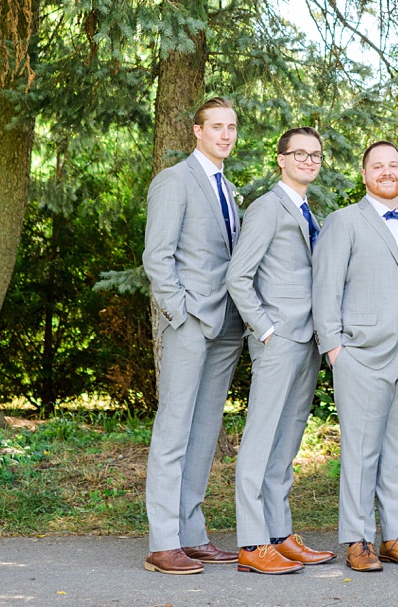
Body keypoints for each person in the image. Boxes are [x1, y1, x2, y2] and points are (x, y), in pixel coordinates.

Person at [311, 140, 398, 572]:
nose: (387, 172)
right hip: (362, 354)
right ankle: (357, 539)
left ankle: (395, 537)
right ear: (365, 175)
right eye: (378, 166)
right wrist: (334, 349)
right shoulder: (344, 221)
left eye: (394, 165)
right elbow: (326, 287)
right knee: (361, 452)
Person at [223, 126, 335, 575]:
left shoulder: (308, 210)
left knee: (286, 443)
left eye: (315, 156)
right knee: (261, 440)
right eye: (300, 154)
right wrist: (266, 329)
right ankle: (252, 543)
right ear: (281, 159)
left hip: (306, 341)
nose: (308, 161)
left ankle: (278, 533)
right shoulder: (268, 208)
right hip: (278, 341)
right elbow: (238, 277)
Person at [142, 97, 246, 574]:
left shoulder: (228, 188)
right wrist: (180, 314)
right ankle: (163, 541)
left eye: (231, 127)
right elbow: (157, 258)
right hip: (190, 323)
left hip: (227, 326)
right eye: (216, 127)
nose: (225, 135)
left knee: (205, 432)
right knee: (174, 429)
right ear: (196, 131)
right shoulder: (174, 181)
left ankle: (192, 533)